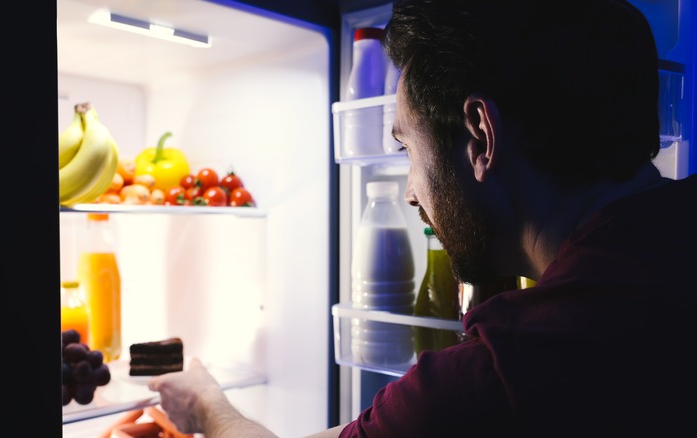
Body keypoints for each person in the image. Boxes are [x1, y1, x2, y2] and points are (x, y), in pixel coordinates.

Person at [148, 0, 697, 436]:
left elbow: (448, 404)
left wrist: (206, 405)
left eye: (408, 149)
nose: (411, 193)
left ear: (480, 135)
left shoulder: (502, 370)